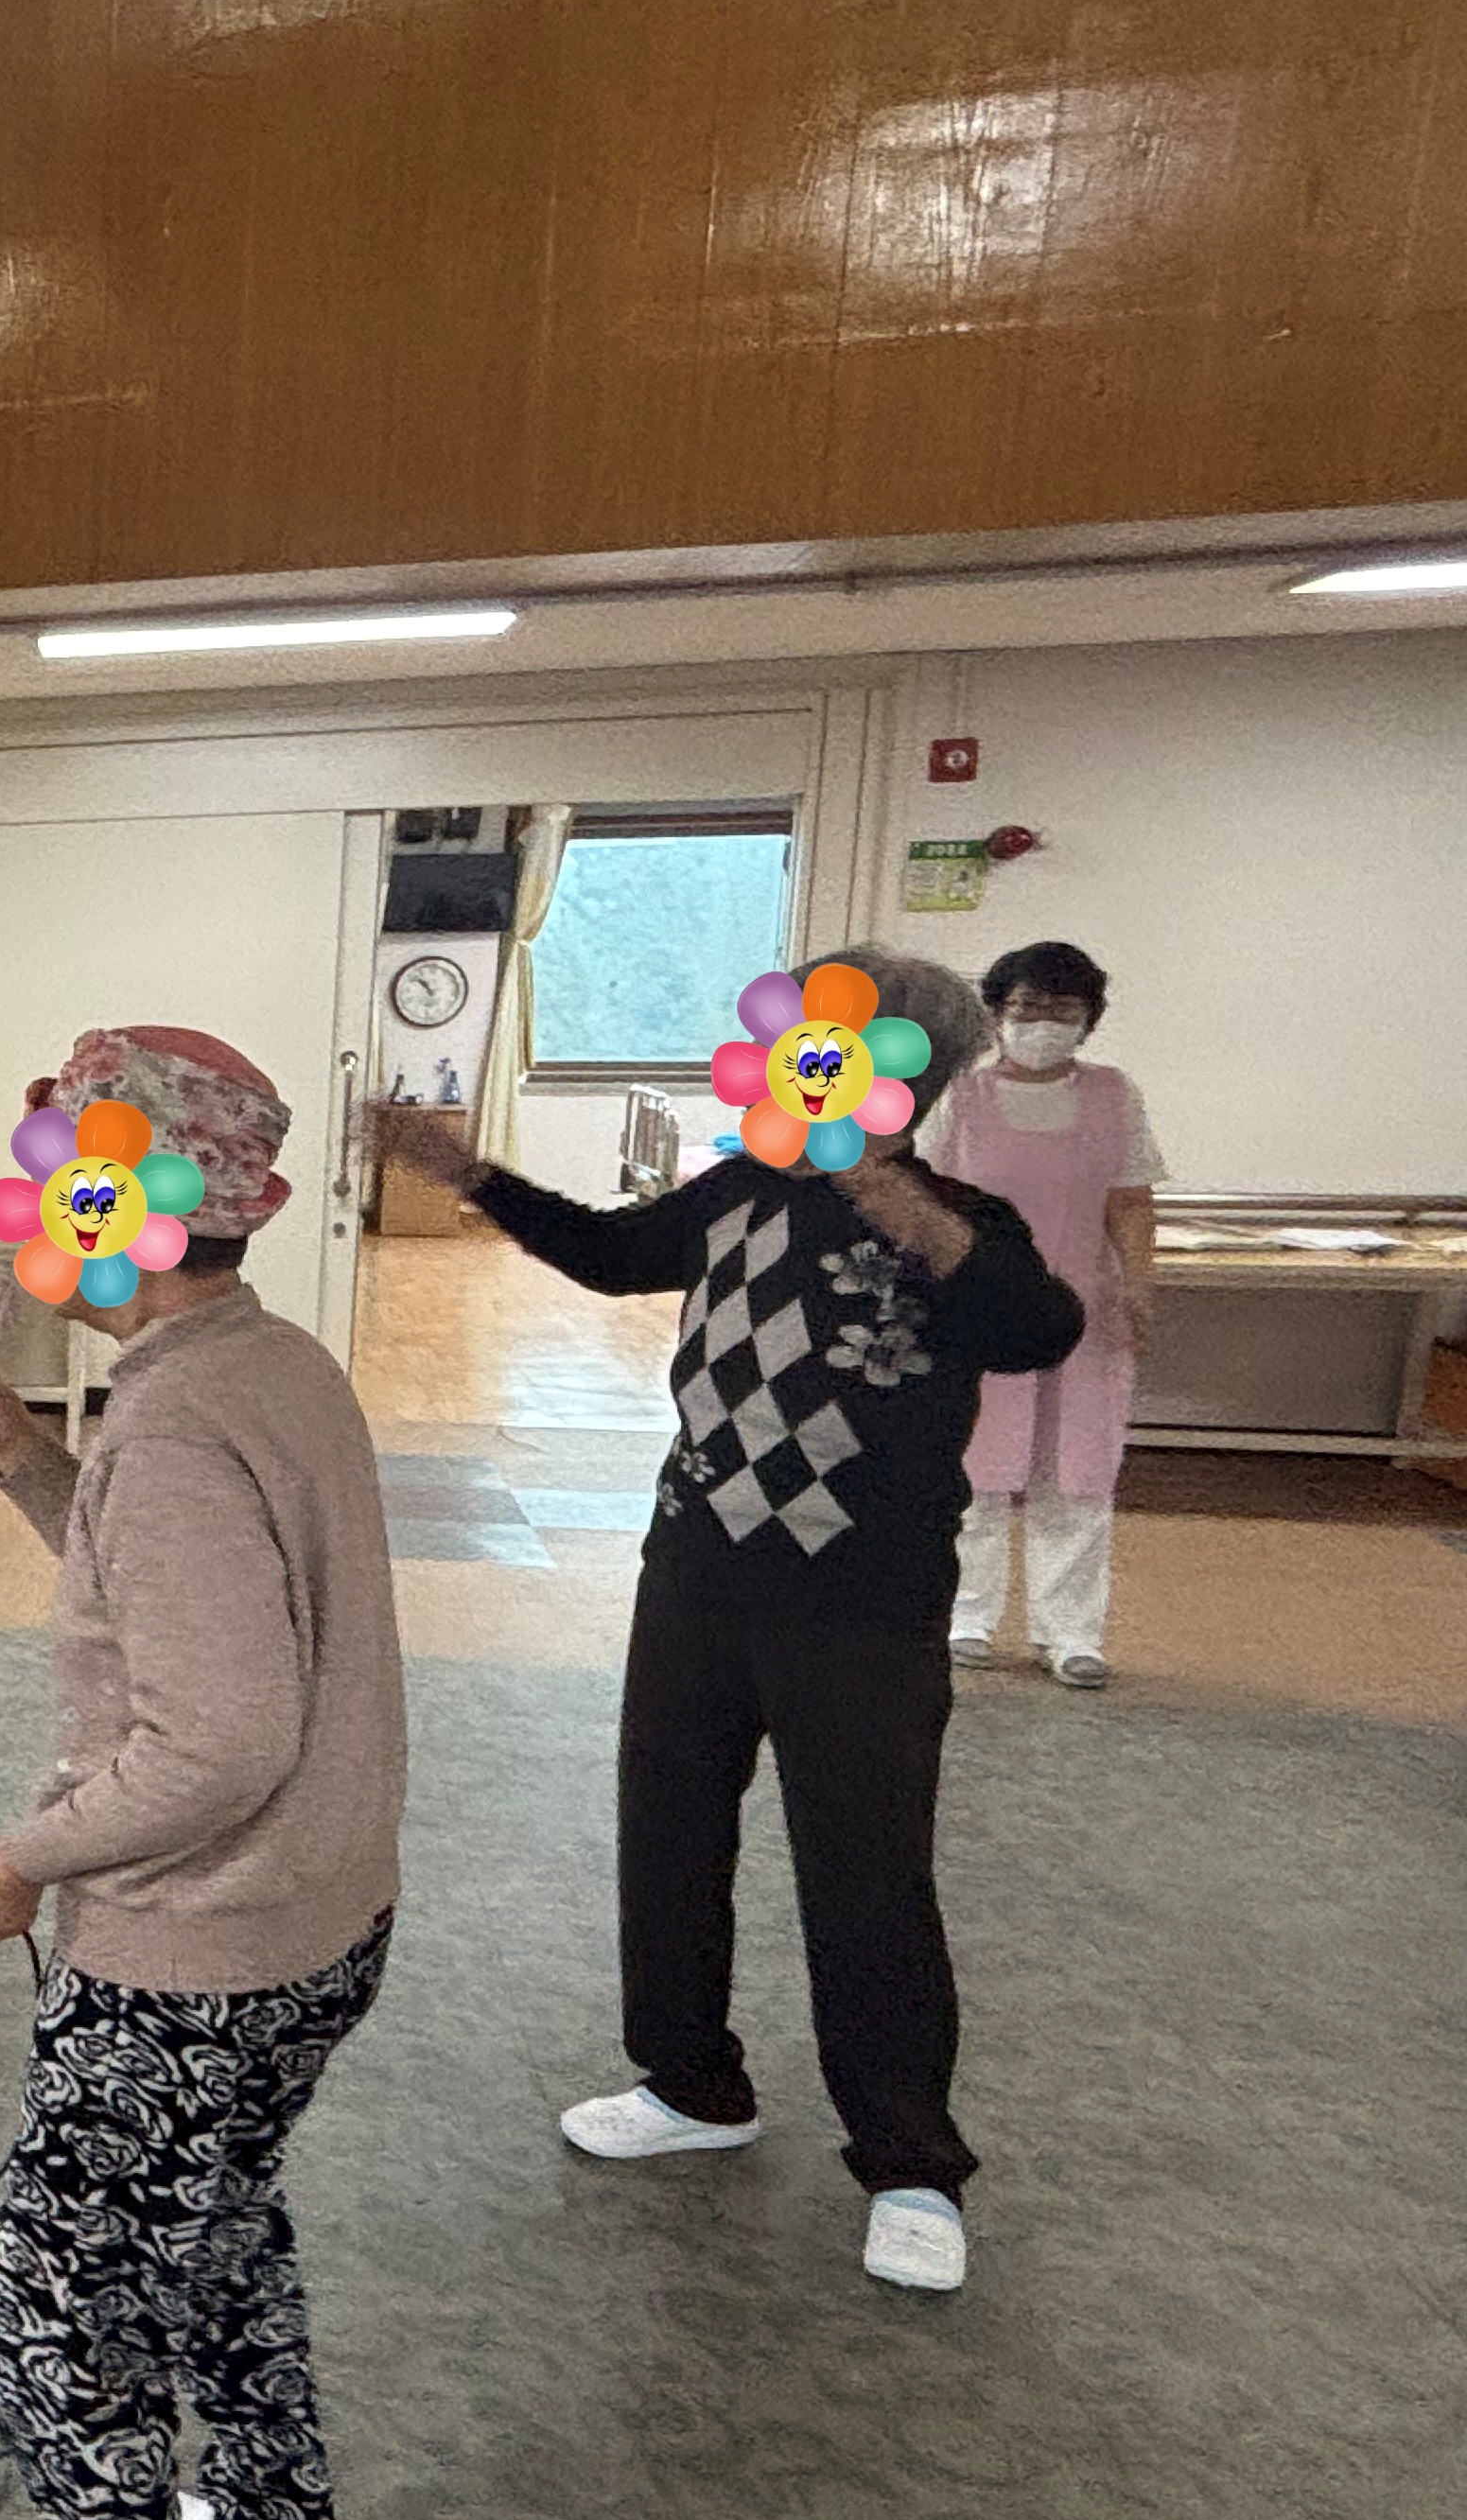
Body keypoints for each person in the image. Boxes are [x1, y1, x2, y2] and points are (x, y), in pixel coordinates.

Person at [379, 948, 1080, 2299]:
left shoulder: (963, 1219)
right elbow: (613, 1255)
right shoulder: (741, 1187)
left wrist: (889, 1197)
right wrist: (470, 1174)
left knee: (866, 1876)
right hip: (696, 1573)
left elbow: (1037, 1328)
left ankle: (911, 2162)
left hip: (865, 1606)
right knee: (669, 1832)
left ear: (903, 1068)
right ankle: (691, 2082)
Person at [0, 1024, 408, 2520]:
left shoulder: (182, 1422)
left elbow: (219, 1736)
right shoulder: (270, 1367)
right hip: (318, 1925)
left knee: (62, 2296)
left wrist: (21, 1858)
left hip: (193, 1956)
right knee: (220, 2234)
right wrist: (24, 1456)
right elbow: (188, 1607)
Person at [921, 941, 1163, 1688]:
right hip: (981, 1305)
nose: (1044, 1022)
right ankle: (966, 1617)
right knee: (976, 1470)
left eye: (1064, 1008)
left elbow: (1131, 1202)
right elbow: (926, 1200)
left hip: (1085, 1311)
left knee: (1078, 1474)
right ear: (998, 1013)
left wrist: (1139, 1284)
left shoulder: (1114, 1096)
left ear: (1089, 1019)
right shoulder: (962, 1097)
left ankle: (1072, 1633)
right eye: (1028, 1006)